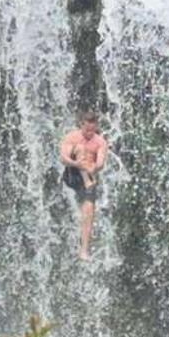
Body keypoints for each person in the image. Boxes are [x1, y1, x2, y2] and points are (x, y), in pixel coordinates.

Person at [59, 111, 109, 260]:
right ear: (81, 125)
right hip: (72, 173)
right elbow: (64, 158)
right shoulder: (72, 137)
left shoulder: (100, 142)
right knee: (80, 148)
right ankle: (86, 177)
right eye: (87, 130)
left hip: (88, 177)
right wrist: (76, 163)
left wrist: (94, 167)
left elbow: (100, 163)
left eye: (92, 130)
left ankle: (84, 250)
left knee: (89, 211)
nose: (89, 133)